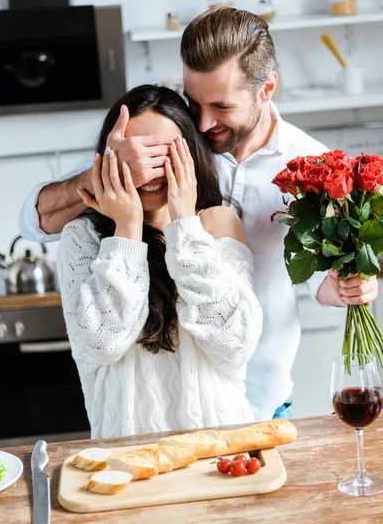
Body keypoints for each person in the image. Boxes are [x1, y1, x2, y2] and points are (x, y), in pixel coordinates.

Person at [19, 8, 378, 422]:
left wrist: (339, 288)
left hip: (262, 394)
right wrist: (110, 174)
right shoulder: (169, 135)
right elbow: (36, 219)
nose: (204, 122)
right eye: (194, 101)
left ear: (266, 89)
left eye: (222, 106)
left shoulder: (312, 164)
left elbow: (315, 273)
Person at [54, 84, 262, 438]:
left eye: (163, 154)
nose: (148, 173)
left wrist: (185, 224)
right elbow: (102, 343)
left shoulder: (217, 224)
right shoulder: (82, 238)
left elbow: (235, 343)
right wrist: (127, 228)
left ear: (191, 155)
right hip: (128, 461)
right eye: (135, 157)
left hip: (224, 452)